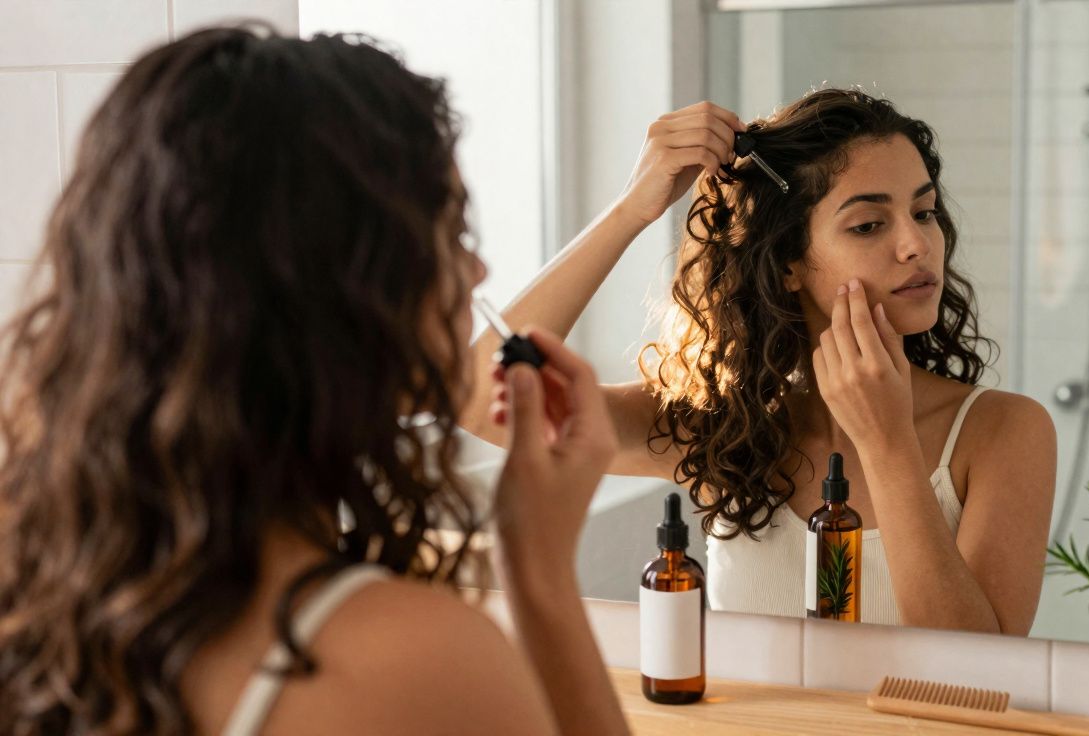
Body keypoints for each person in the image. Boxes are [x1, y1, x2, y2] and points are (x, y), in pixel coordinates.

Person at [0, 27, 628, 735]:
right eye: (452, 229)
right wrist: (540, 574)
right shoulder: (414, 665)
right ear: (347, 284)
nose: (478, 271)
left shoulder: (35, 567)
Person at [463, 89, 1057, 634]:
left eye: (924, 212)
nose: (917, 244)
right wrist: (631, 211)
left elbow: (981, 673)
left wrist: (888, 443)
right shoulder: (727, 427)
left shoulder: (1002, 433)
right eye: (870, 224)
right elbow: (478, 401)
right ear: (787, 264)